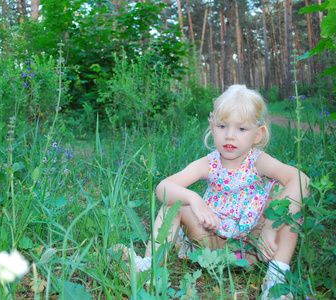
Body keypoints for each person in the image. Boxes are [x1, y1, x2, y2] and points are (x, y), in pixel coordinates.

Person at [125, 85, 310, 299]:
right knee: (174, 205)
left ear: (258, 134)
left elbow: (301, 181)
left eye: (241, 129)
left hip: (255, 246)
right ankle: (149, 268)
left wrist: (269, 227)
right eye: (222, 126)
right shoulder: (209, 163)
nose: (230, 136)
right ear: (212, 127)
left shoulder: (258, 161)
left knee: (289, 202)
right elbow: (163, 188)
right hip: (211, 243)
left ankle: (276, 282)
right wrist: (194, 199)